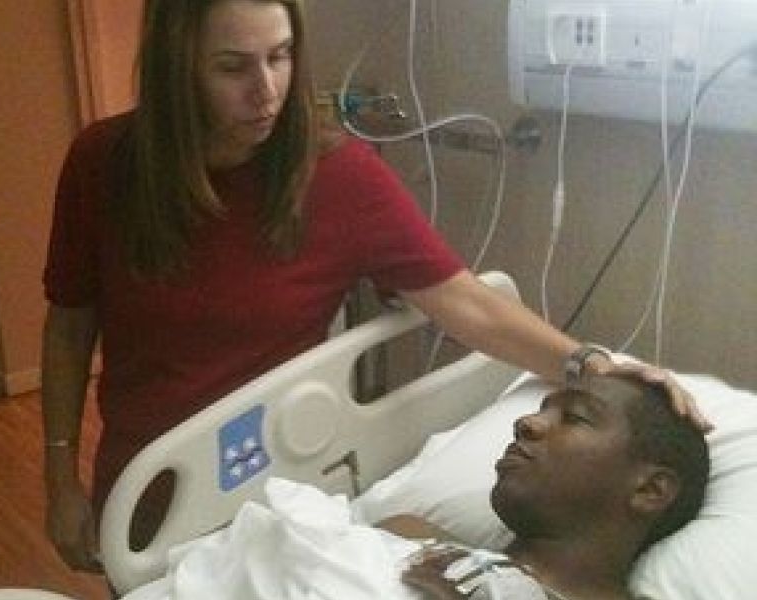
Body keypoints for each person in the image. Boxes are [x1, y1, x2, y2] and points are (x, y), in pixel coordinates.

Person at [40, 0, 709, 574]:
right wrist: (60, 475)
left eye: (280, 56)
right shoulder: (103, 163)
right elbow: (69, 325)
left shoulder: (337, 177)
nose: (267, 91)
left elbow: (466, 303)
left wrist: (591, 365)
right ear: (176, 65)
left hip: (279, 492)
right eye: (232, 67)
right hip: (148, 489)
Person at [382, 373, 710, 600]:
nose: (527, 422)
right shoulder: (408, 536)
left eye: (575, 417)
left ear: (650, 490)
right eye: (541, 409)